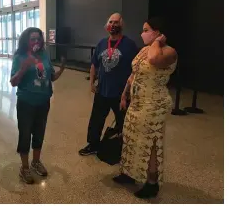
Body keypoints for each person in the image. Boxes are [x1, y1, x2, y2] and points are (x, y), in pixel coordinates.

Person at [113, 17, 177, 199]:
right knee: (131, 138)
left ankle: (152, 182)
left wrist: (157, 42)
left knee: (150, 143)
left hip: (154, 105)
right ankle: (129, 173)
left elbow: (154, 59)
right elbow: (134, 73)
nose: (143, 33)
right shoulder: (143, 50)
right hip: (137, 103)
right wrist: (125, 94)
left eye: (146, 29)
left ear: (158, 32)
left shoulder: (168, 51)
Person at [10, 27, 65, 184]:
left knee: (39, 133)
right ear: (26, 41)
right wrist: (24, 67)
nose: (36, 42)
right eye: (33, 39)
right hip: (26, 102)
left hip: (43, 102)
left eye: (38, 39)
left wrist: (61, 69)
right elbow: (13, 82)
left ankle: (36, 162)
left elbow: (50, 77)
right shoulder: (19, 56)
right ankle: (24, 167)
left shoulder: (44, 55)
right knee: (25, 134)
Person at [79, 13, 138, 156]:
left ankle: (125, 149)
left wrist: (130, 90)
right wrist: (92, 83)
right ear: (107, 25)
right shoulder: (101, 43)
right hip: (102, 91)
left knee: (123, 122)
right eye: (111, 22)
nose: (113, 25)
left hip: (121, 93)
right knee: (96, 120)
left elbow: (136, 69)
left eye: (116, 22)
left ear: (122, 25)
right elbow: (94, 64)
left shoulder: (129, 45)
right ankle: (93, 144)